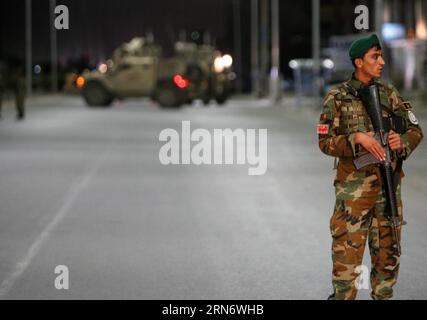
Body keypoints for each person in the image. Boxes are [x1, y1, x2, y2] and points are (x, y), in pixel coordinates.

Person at [318, 34, 423, 300]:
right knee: (346, 267)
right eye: (375, 57)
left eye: (381, 56)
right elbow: (325, 141)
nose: (382, 62)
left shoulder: (389, 94)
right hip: (353, 198)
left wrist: (402, 142)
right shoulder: (338, 97)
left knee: (387, 262)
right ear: (359, 62)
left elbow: (415, 130)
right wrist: (356, 139)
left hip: (388, 192)